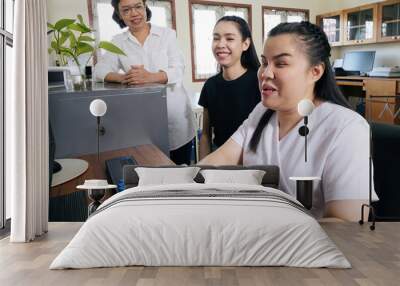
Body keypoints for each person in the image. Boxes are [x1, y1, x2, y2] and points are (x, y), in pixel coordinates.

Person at [199, 21, 378, 221]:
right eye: (265, 62)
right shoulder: (262, 112)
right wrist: (180, 181)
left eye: (281, 63)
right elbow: (217, 162)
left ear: (315, 72)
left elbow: (345, 223)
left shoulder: (346, 128)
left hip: (307, 247)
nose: (265, 73)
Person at [94, 0, 196, 165]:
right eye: (126, 10)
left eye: (138, 6)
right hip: (142, 123)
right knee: (151, 171)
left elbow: (178, 69)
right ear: (119, 14)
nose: (134, 13)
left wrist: (150, 77)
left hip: (175, 117)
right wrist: (123, 78)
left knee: (180, 171)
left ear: (145, 7)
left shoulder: (167, 34)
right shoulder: (118, 41)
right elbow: (99, 70)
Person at [198, 16, 260, 160]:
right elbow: (206, 134)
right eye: (216, 38)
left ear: (245, 44)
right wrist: (200, 170)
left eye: (229, 39)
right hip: (219, 159)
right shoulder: (210, 85)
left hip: (253, 159)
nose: (220, 44)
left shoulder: (260, 82)